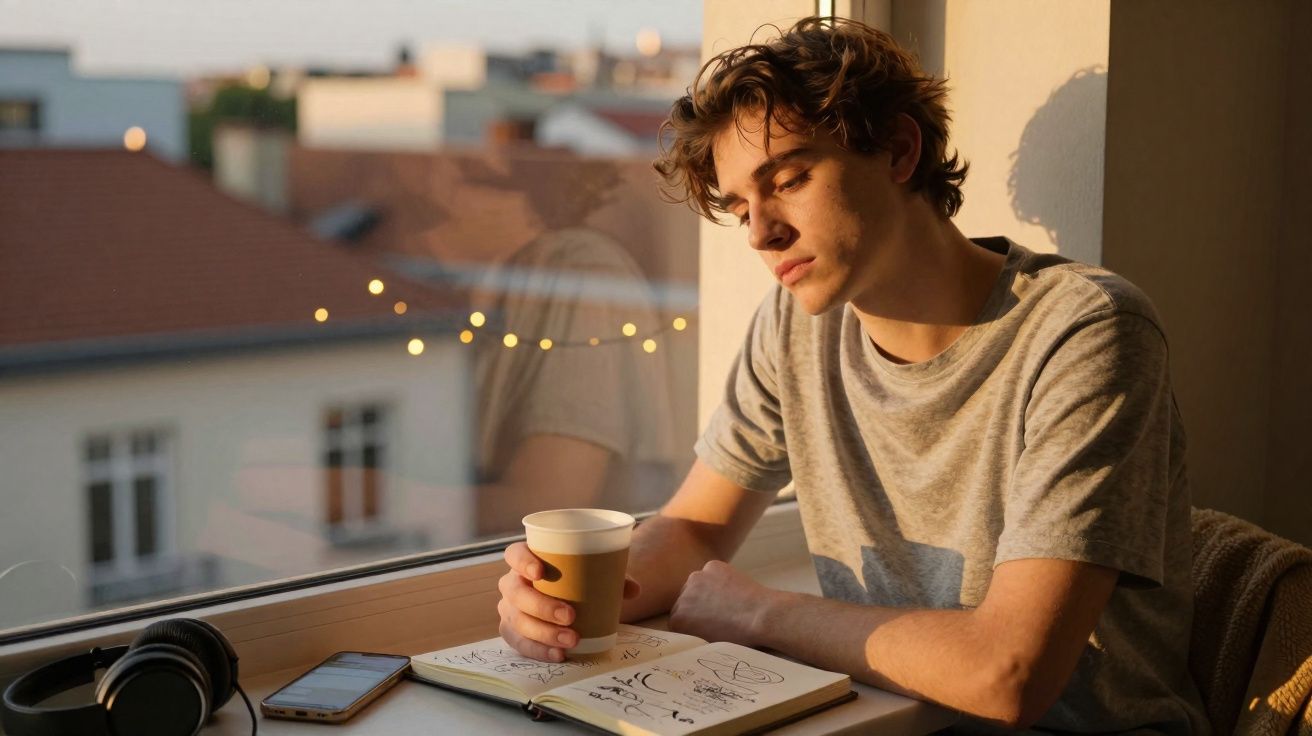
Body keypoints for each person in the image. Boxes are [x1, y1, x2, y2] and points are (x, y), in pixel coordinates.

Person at [496, 17, 1209, 734]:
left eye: (790, 180)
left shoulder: (1086, 332)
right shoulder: (796, 324)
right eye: (742, 206)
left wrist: (759, 611)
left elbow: (1009, 673)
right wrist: (565, 604)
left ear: (899, 150)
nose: (760, 232)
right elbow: (693, 531)